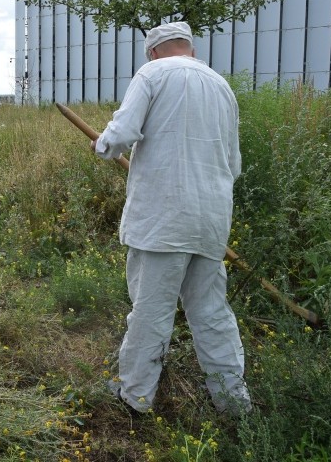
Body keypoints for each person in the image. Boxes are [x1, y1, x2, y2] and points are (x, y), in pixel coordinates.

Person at [91, 22, 252, 415]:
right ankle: (234, 403)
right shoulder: (221, 86)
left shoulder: (152, 74)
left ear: (153, 52)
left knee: (151, 310)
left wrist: (103, 145)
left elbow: (121, 134)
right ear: (190, 49)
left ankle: (135, 397)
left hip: (163, 221)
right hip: (211, 220)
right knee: (212, 313)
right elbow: (233, 164)